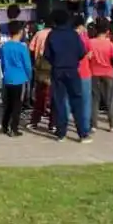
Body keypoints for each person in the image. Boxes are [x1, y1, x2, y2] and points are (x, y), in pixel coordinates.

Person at [43, 10, 91, 143]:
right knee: (77, 100)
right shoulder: (74, 35)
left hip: (57, 70)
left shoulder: (52, 35)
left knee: (59, 101)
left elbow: (47, 54)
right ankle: (82, 133)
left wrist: (56, 62)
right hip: (72, 69)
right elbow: (81, 53)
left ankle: (61, 133)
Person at [0, 22, 32, 136]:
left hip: (7, 77)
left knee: (8, 104)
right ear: (20, 32)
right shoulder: (22, 48)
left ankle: (4, 126)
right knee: (17, 105)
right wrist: (29, 76)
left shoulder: (4, 46)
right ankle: (14, 128)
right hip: (19, 78)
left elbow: (2, 63)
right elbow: (27, 65)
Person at [87, 20, 113, 132]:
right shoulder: (110, 44)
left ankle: (93, 125)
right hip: (108, 73)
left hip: (93, 73)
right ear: (107, 31)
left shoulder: (90, 42)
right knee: (110, 99)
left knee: (94, 99)